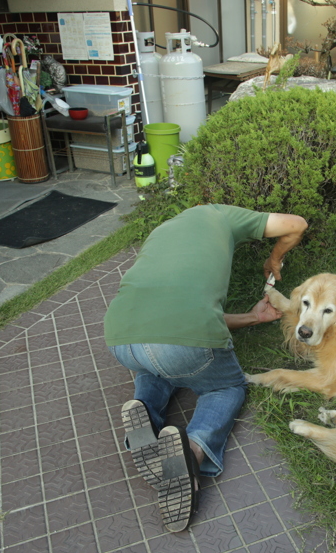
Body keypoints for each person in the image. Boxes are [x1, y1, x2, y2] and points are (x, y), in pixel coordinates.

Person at [105, 204, 308, 531]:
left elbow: (188, 312)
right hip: (181, 340)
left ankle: (144, 408)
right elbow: (295, 224)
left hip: (121, 339)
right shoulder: (220, 215)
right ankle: (191, 454)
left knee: (157, 365)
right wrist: (274, 259)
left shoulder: (161, 233)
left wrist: (253, 317)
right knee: (226, 387)